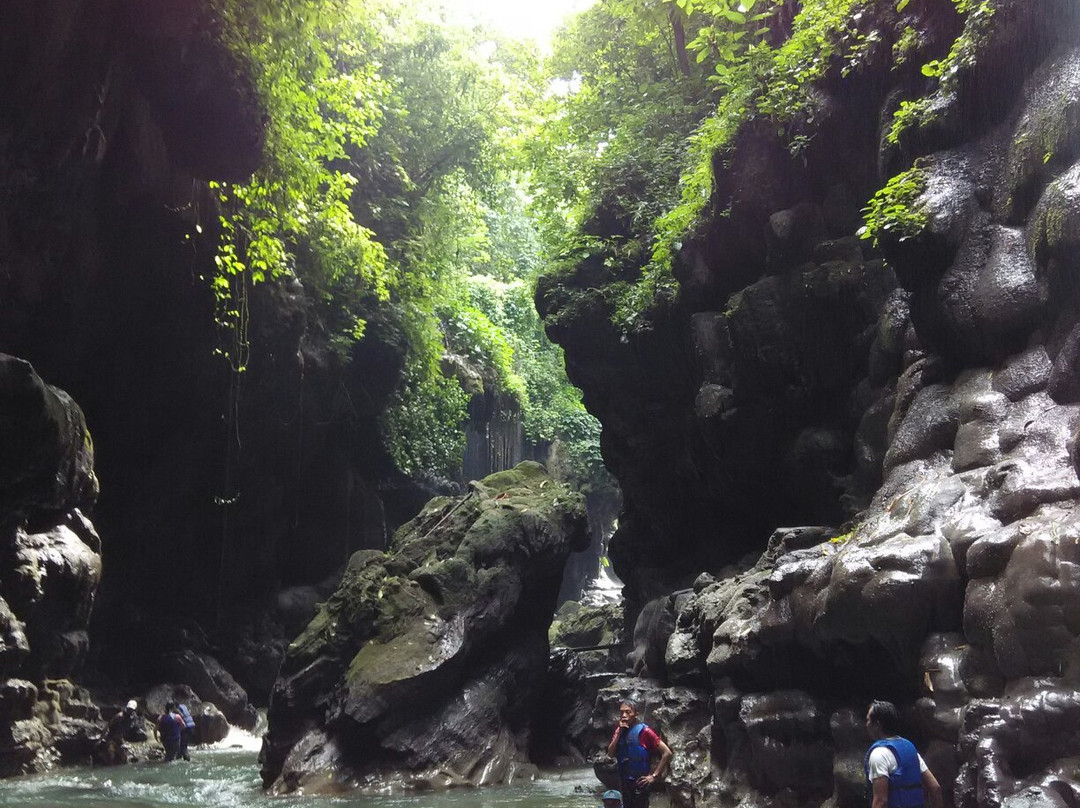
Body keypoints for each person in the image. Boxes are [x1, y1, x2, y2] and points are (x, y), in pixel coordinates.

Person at [865, 700, 945, 808]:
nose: (866, 724)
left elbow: (881, 801)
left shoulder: (879, 754)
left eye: (868, 720)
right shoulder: (910, 750)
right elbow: (935, 788)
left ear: (877, 724)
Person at [606, 699, 673, 808]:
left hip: (641, 783)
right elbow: (610, 754)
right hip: (625, 783)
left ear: (636, 714)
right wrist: (619, 734)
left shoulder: (645, 731)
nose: (624, 715)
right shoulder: (619, 732)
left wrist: (654, 776)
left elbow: (667, 753)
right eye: (621, 712)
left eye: (628, 712)